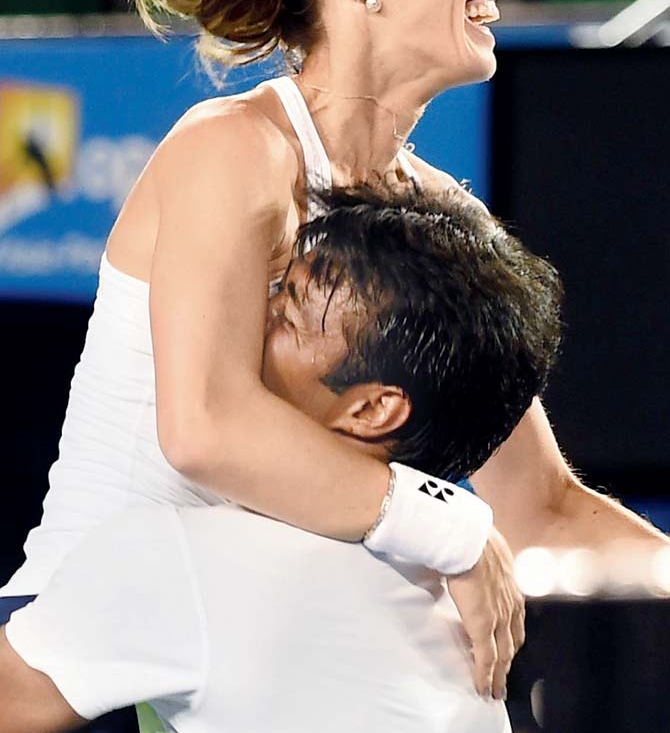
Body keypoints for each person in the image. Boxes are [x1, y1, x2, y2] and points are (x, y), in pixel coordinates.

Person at [1, 0, 665, 716]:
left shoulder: (448, 216)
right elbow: (203, 427)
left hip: (273, 643)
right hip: (87, 665)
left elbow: (539, 505)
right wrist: (451, 526)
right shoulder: (234, 149)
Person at [0, 185, 563, 733]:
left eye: (286, 314)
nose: (249, 312)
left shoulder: (175, 559)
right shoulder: (465, 609)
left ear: (373, 410)